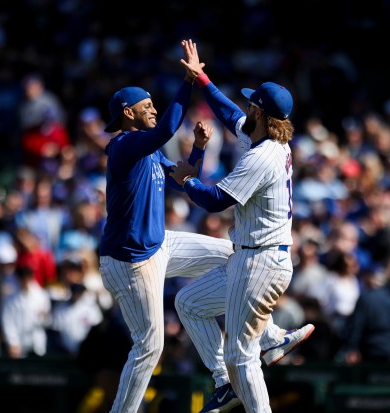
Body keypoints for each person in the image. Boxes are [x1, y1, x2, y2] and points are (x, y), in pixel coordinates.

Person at [97, 39, 297, 413]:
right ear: (127, 114)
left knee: (232, 256)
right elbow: (171, 129)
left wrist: (198, 153)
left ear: (259, 113)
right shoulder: (125, 146)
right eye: (147, 106)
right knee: (150, 345)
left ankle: (265, 343)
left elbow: (185, 178)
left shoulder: (148, 146)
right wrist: (192, 80)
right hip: (131, 259)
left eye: (155, 104)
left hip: (158, 245)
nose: (154, 109)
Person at [171, 40, 314, 413]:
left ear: (262, 114)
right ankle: (230, 376)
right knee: (188, 302)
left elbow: (217, 201)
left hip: (261, 264)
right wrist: (201, 77)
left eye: (252, 105)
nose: (246, 108)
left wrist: (187, 180)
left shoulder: (263, 156)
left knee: (241, 356)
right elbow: (228, 111)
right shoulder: (268, 138)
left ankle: (261, 359)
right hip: (251, 259)